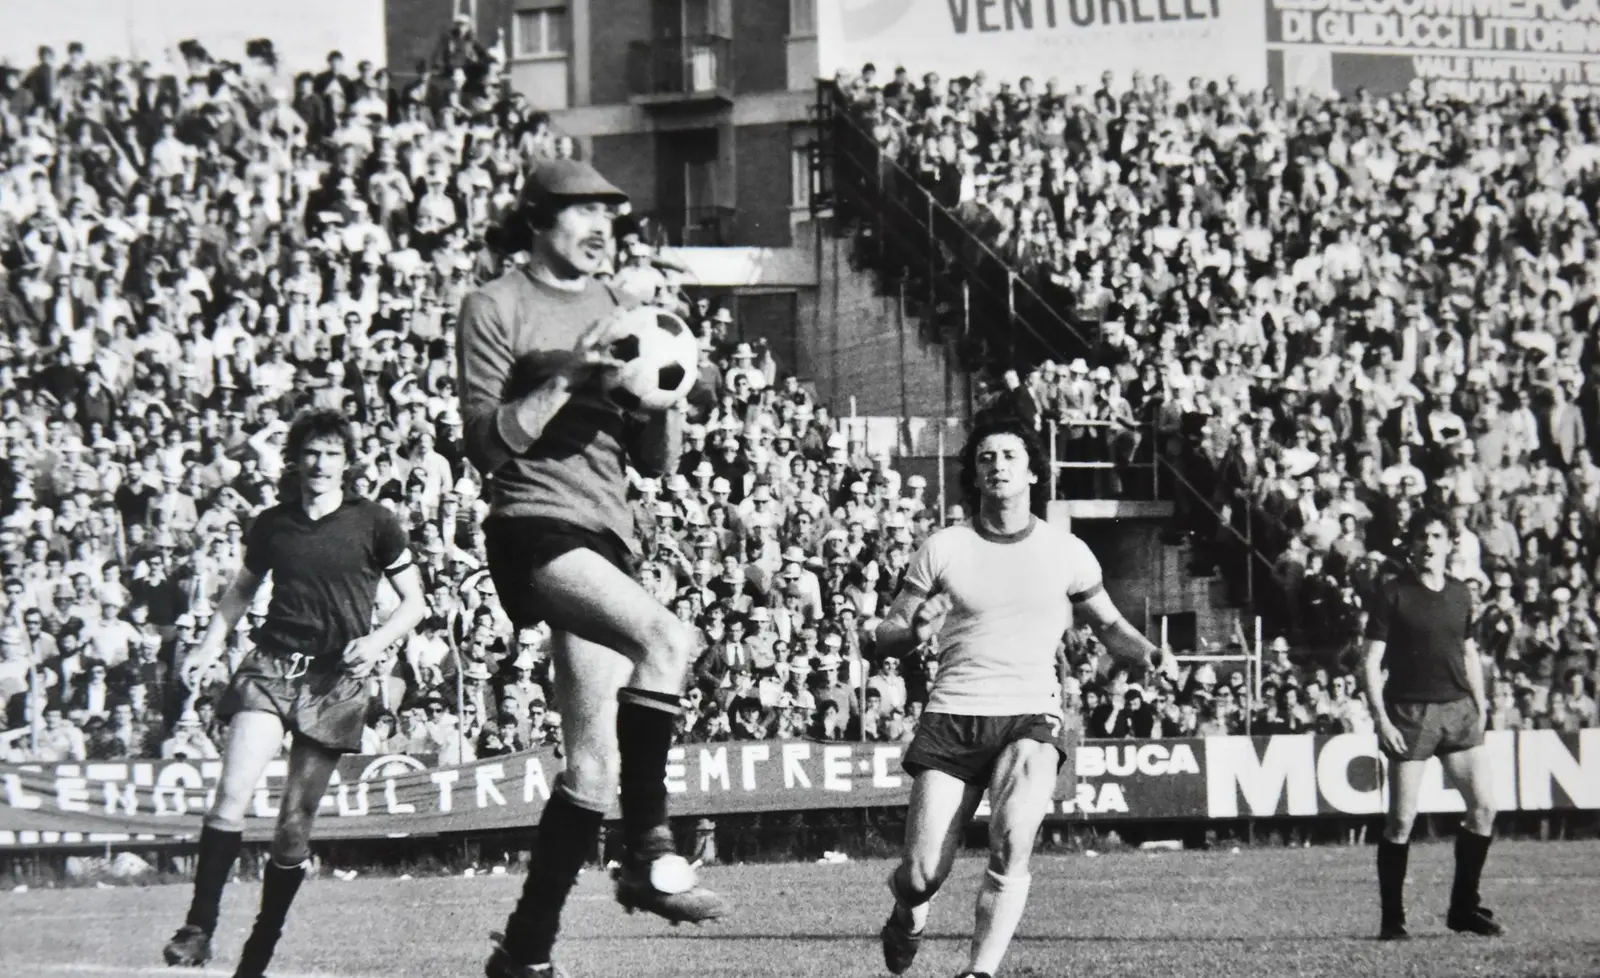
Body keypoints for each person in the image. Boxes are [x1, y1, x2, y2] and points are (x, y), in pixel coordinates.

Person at [458, 158, 726, 978]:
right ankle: (649, 850)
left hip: (607, 535)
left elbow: (654, 462)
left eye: (610, 213)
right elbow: (486, 444)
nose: (601, 226)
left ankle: (524, 951)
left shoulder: (623, 309)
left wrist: (668, 396)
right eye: (582, 211)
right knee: (667, 640)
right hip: (533, 527)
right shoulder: (494, 305)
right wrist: (572, 372)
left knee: (591, 769)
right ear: (539, 219)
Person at [872, 410, 1161, 978]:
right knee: (921, 874)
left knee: (1011, 843)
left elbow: (1109, 626)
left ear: (1032, 472)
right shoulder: (944, 547)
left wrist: (1148, 652)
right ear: (975, 475)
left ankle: (979, 973)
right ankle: (909, 912)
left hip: (1031, 713)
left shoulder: (1067, 551)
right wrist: (916, 630)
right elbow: (887, 635)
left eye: (1009, 456)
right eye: (986, 457)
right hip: (954, 715)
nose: (997, 465)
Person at [162, 409, 427, 977]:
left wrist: (377, 640)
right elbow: (240, 591)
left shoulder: (376, 522)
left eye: (331, 453)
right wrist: (208, 646)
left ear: (347, 461)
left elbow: (415, 603)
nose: (320, 463)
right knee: (230, 795)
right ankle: (198, 928)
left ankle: (259, 950)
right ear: (294, 460)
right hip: (272, 667)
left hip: (335, 682)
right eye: (311, 452)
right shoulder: (272, 524)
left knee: (292, 827)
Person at [1364, 510, 1504, 940]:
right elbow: (1369, 662)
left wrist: (1480, 701)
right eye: (1422, 536)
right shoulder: (1393, 593)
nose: (1429, 544)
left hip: (1458, 710)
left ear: (1449, 543)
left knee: (1484, 808)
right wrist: (1380, 719)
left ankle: (1463, 909)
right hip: (1410, 713)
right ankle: (1392, 920)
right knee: (1401, 820)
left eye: (1437, 536)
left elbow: (1468, 651)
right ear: (1411, 544)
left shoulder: (1461, 593)